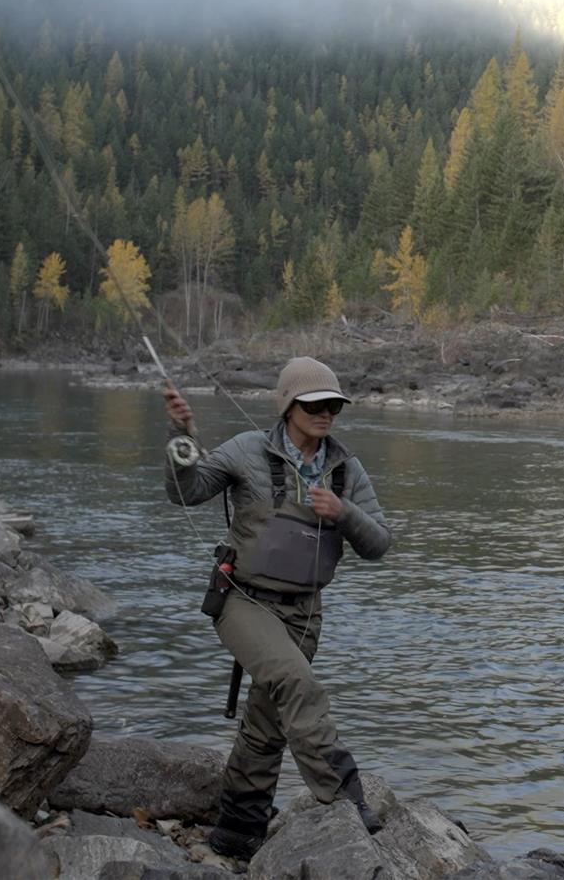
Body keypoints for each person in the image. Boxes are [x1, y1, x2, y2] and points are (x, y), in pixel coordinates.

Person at [161, 356, 393, 861]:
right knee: (297, 685)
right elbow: (187, 492)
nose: (326, 412)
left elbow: (379, 543)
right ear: (288, 406)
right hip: (242, 602)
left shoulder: (347, 469)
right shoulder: (246, 450)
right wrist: (183, 439)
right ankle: (348, 800)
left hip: (305, 614)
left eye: (333, 404)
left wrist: (344, 512)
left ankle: (238, 833)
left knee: (267, 725)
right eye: (314, 404)